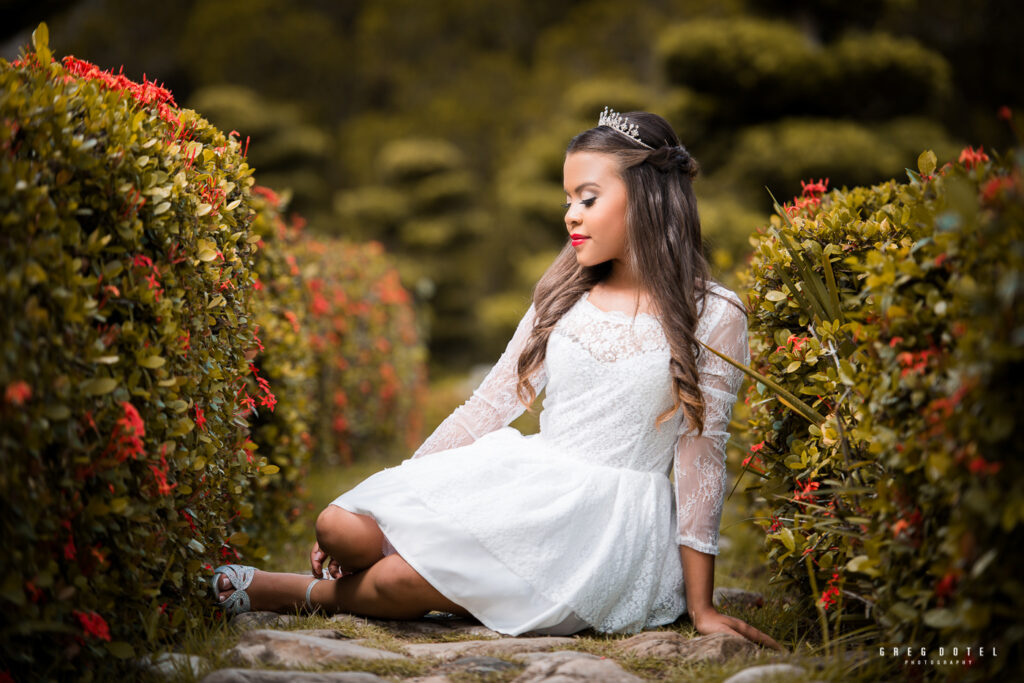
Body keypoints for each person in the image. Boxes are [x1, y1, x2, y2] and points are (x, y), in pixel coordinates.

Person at [213, 108, 782, 650]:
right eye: (567, 200)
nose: (571, 215)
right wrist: (399, 495)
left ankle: (295, 593)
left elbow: (702, 459)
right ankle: (411, 566)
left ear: (648, 199)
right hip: (532, 481)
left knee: (397, 582)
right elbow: (486, 407)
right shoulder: (563, 296)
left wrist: (702, 607)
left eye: (588, 198)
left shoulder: (713, 313)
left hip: (606, 529)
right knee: (339, 526)